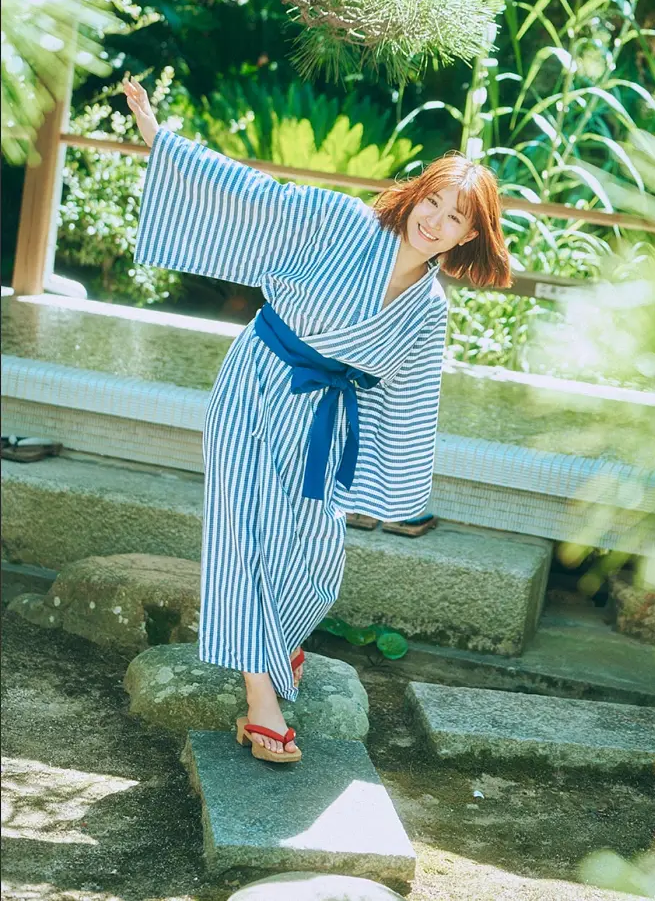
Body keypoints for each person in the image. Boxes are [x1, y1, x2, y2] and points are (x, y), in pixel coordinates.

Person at [123, 76, 512, 763]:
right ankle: (260, 703)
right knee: (241, 534)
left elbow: (409, 399)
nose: (434, 221)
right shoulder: (342, 224)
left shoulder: (428, 309)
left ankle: (279, 644)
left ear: (470, 235)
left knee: (315, 558)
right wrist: (162, 139)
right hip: (257, 384)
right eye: (432, 201)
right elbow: (256, 198)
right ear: (416, 194)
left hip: (322, 421)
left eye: (455, 218)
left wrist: (390, 489)